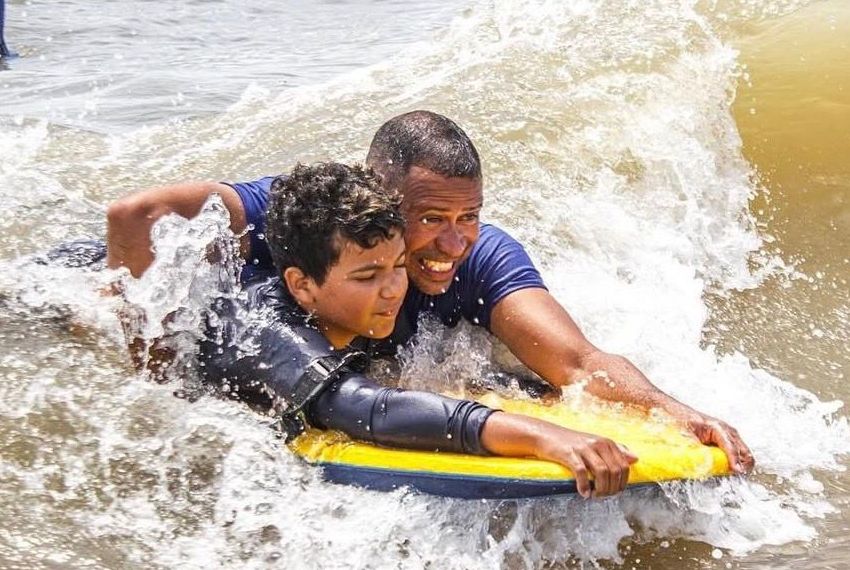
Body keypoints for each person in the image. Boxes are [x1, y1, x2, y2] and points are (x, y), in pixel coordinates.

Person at [107, 110, 754, 485]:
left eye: (468, 216)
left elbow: (578, 364)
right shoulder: (299, 232)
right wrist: (154, 370)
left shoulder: (478, 253)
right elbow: (135, 214)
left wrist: (673, 411)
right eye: (431, 218)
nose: (454, 242)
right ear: (383, 198)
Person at [202, 161, 637, 498]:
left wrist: (541, 396)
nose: (393, 290)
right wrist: (541, 435)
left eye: (397, 267)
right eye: (368, 276)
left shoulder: (368, 295)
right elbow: (365, 408)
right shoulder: (264, 326)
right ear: (302, 285)